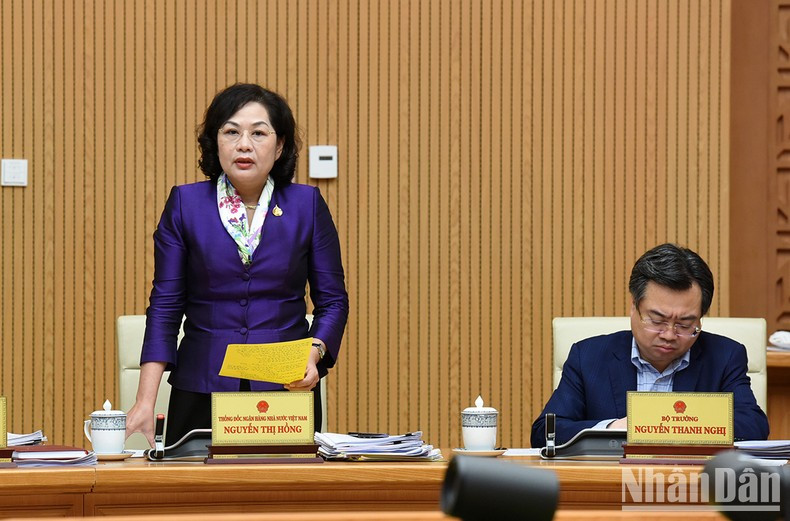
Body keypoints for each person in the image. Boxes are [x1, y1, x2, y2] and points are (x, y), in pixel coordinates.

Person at [125, 83, 349, 446]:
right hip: (201, 384)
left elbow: (333, 301)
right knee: (199, 499)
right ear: (216, 142)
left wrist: (316, 352)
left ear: (279, 147)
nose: (244, 144)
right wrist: (144, 401)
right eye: (232, 132)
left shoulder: (306, 205)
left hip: (285, 387)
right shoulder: (186, 204)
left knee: (285, 498)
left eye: (258, 133)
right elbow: (166, 306)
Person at [531, 243, 769, 448]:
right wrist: (614, 428)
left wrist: (669, 426)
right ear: (634, 307)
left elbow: (754, 426)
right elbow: (546, 432)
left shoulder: (724, 357)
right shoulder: (589, 356)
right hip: (611, 486)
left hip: (693, 487)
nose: (669, 334)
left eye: (685, 324)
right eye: (657, 320)